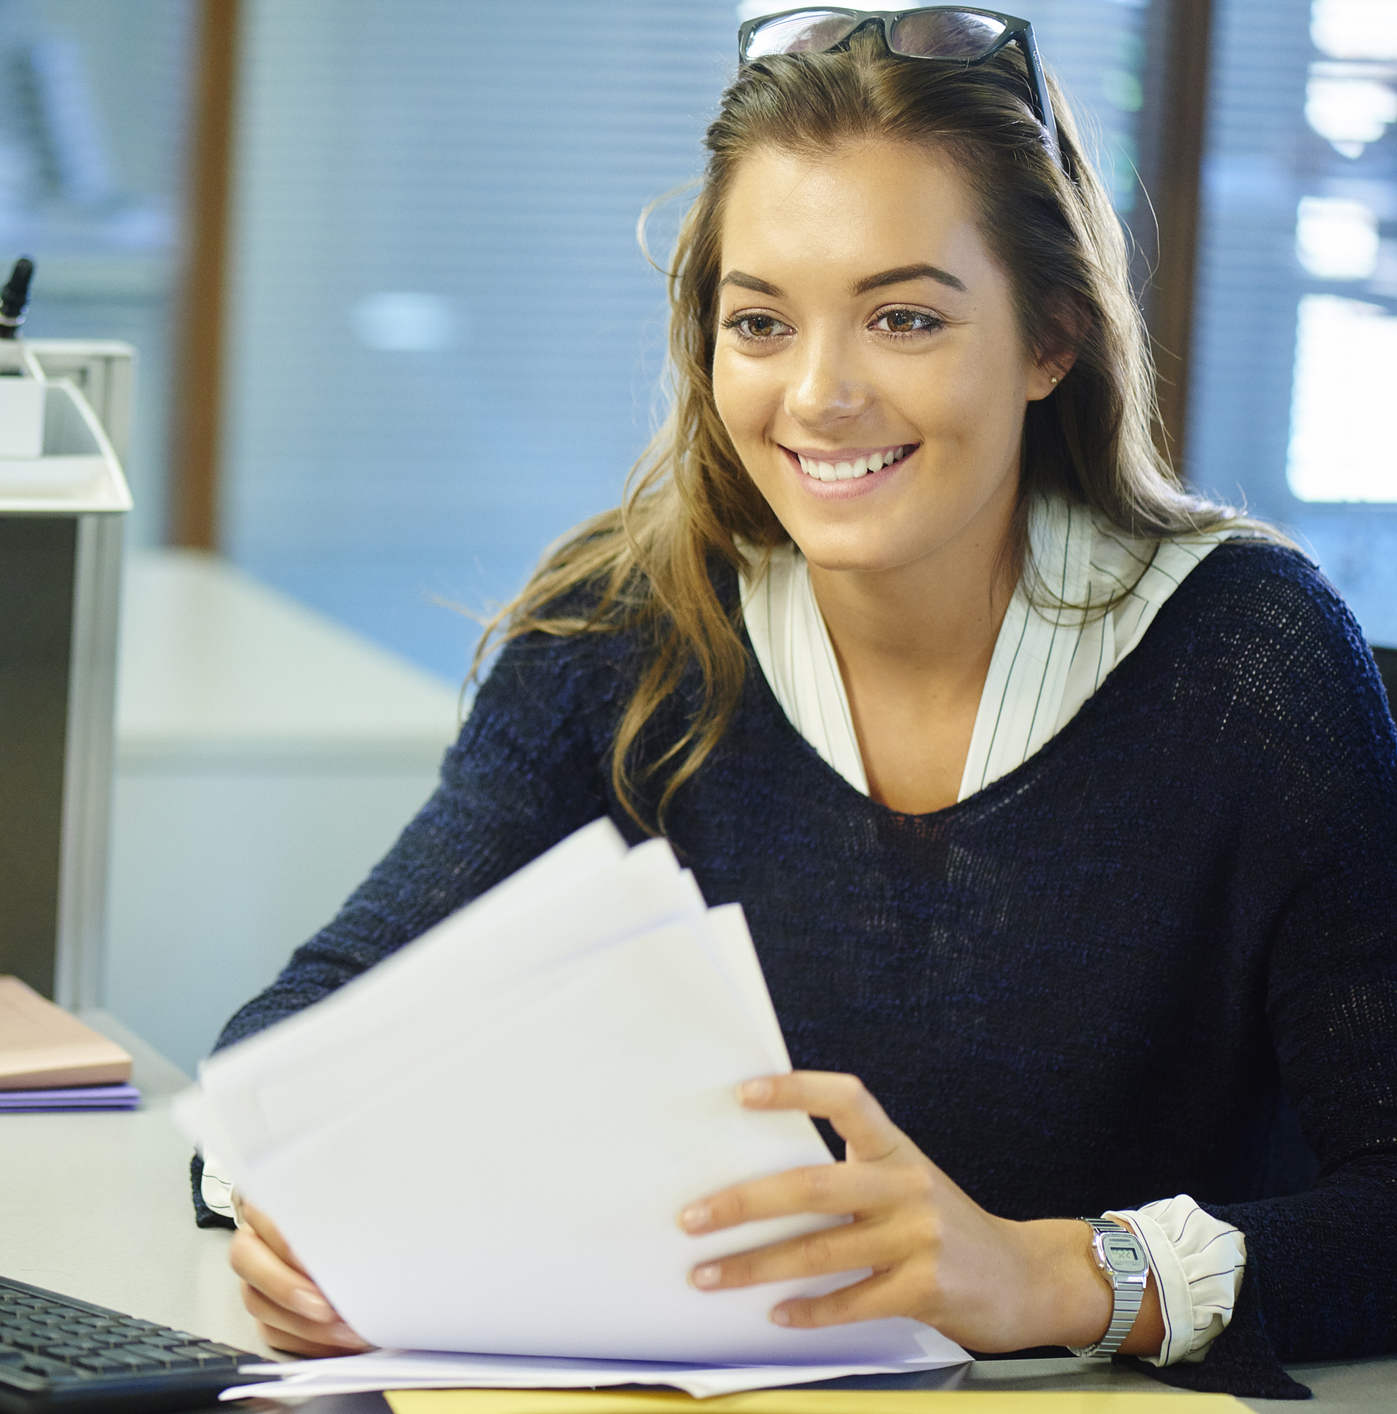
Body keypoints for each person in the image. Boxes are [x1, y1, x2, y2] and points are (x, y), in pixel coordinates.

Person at [193, 8, 1397, 1399]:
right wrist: (310, 1212)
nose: (819, 395)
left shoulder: (1246, 659)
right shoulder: (626, 633)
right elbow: (303, 1041)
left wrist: (1048, 1272)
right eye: (759, 321)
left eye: (903, 317)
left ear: (1050, 336)